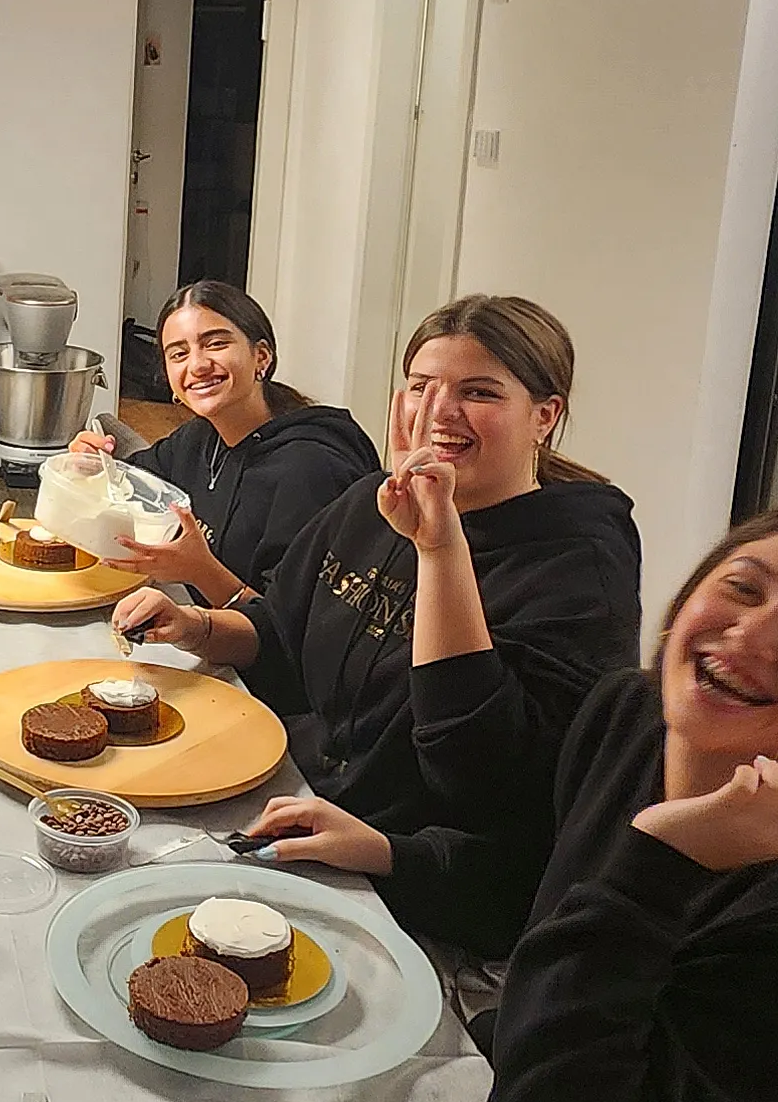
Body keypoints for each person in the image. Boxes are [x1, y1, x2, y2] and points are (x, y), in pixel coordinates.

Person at [249, 513, 778, 1102]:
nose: (752, 632)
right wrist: (390, 851)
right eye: (743, 588)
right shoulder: (630, 715)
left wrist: (662, 857)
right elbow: (535, 893)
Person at [113, 295, 642, 956]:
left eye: (478, 392)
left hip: (419, 886)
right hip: (298, 798)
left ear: (545, 415)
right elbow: (279, 631)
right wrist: (198, 626)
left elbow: (484, 783)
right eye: (422, 386)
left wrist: (439, 551)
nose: (439, 412)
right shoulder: (371, 502)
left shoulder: (578, 568)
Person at [74, 280, 377, 599]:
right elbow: (133, 484)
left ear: (262, 357)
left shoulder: (310, 470)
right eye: (179, 353)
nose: (197, 365)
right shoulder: (200, 437)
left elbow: (289, 622)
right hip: (190, 618)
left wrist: (201, 572)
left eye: (216, 344)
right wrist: (93, 466)